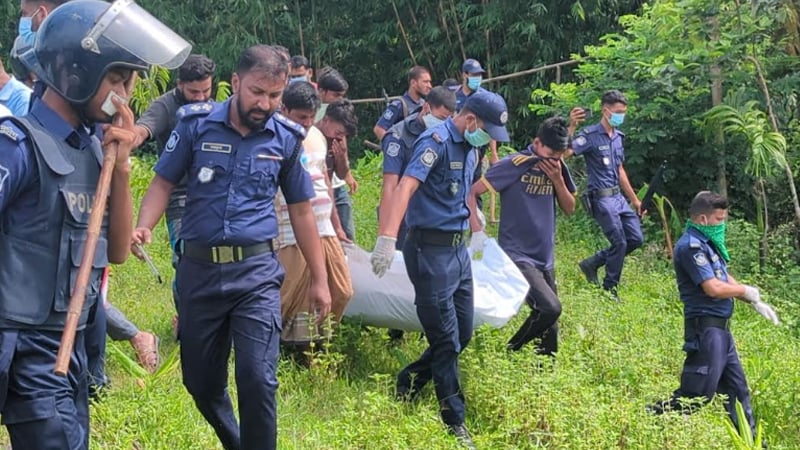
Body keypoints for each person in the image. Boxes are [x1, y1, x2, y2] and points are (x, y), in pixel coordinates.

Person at [0, 0, 189, 448]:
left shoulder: (92, 151)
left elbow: (119, 251)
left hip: (74, 345)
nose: (125, 95)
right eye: (118, 78)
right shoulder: (18, 147)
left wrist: (120, 167)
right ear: (77, 72)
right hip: (23, 347)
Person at [132, 44, 331, 450]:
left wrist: (320, 278)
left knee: (258, 379)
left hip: (255, 276)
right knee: (201, 383)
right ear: (236, 83)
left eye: (275, 96)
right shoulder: (195, 125)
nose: (266, 104)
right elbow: (163, 182)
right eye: (258, 92)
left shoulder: (286, 139)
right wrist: (143, 225)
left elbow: (303, 212)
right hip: (199, 273)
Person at [371, 90, 511, 449]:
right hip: (429, 251)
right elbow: (405, 186)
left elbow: (465, 191)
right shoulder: (433, 142)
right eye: (488, 131)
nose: (490, 140)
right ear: (471, 120)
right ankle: (454, 419)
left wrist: (476, 227)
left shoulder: (472, 146)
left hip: (458, 252)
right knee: (446, 339)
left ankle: (411, 379)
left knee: (462, 333)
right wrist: (387, 237)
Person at [647, 191, 780, 437]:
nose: (722, 225)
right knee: (697, 395)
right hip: (705, 330)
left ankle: (751, 444)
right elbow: (712, 288)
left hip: (721, 332)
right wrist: (744, 290)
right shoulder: (691, 247)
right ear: (704, 220)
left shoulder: (708, 245)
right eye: (719, 220)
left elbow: (723, 278)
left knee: (737, 392)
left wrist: (751, 299)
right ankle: (647, 418)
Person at [468, 116, 576, 356]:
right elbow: (472, 192)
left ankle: (542, 378)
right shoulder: (515, 164)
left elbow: (570, 208)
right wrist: (477, 228)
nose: (553, 162)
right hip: (517, 254)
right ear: (537, 143)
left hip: (544, 255)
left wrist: (557, 179)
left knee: (550, 331)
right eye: (550, 155)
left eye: (559, 157)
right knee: (550, 308)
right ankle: (509, 351)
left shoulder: (558, 167)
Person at [133, 53, 216, 320]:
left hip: (211, 194)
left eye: (206, 90)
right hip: (178, 195)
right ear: (179, 84)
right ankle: (186, 317)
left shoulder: (215, 109)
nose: (201, 97)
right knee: (186, 258)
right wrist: (128, 139)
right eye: (194, 91)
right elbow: (143, 129)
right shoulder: (164, 107)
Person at [275, 81, 353, 352]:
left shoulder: (317, 137)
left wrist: (337, 224)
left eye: (311, 117)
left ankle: (321, 344)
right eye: (301, 117)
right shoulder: (272, 138)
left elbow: (326, 183)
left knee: (341, 290)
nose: (307, 123)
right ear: (284, 110)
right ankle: (280, 349)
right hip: (289, 228)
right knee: (290, 297)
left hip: (324, 226)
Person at [378, 85, 456, 343]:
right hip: (402, 214)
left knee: (431, 275)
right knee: (401, 270)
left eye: (449, 119)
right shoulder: (398, 136)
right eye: (441, 117)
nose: (445, 123)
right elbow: (391, 186)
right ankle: (396, 331)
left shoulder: (445, 136)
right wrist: (385, 235)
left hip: (430, 216)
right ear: (426, 109)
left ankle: (428, 328)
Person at [570, 90, 644, 301]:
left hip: (619, 198)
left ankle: (592, 263)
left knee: (636, 239)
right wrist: (572, 126)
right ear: (606, 110)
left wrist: (635, 199)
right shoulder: (590, 136)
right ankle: (610, 289)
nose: (621, 116)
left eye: (624, 112)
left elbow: (620, 170)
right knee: (619, 242)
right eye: (618, 112)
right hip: (601, 198)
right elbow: (566, 152)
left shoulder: (618, 138)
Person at [319, 99, 359, 241]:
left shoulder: (339, 140)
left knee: (347, 237)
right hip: (317, 199)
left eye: (343, 135)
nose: (340, 137)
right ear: (326, 120)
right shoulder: (313, 138)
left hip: (332, 193)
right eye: (338, 132)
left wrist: (341, 157)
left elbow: (341, 175)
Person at [372, 65, 432, 141]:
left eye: (430, 82)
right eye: (425, 82)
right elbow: (379, 129)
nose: (429, 86)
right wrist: (392, 147)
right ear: (413, 83)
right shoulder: (399, 105)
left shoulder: (425, 105)